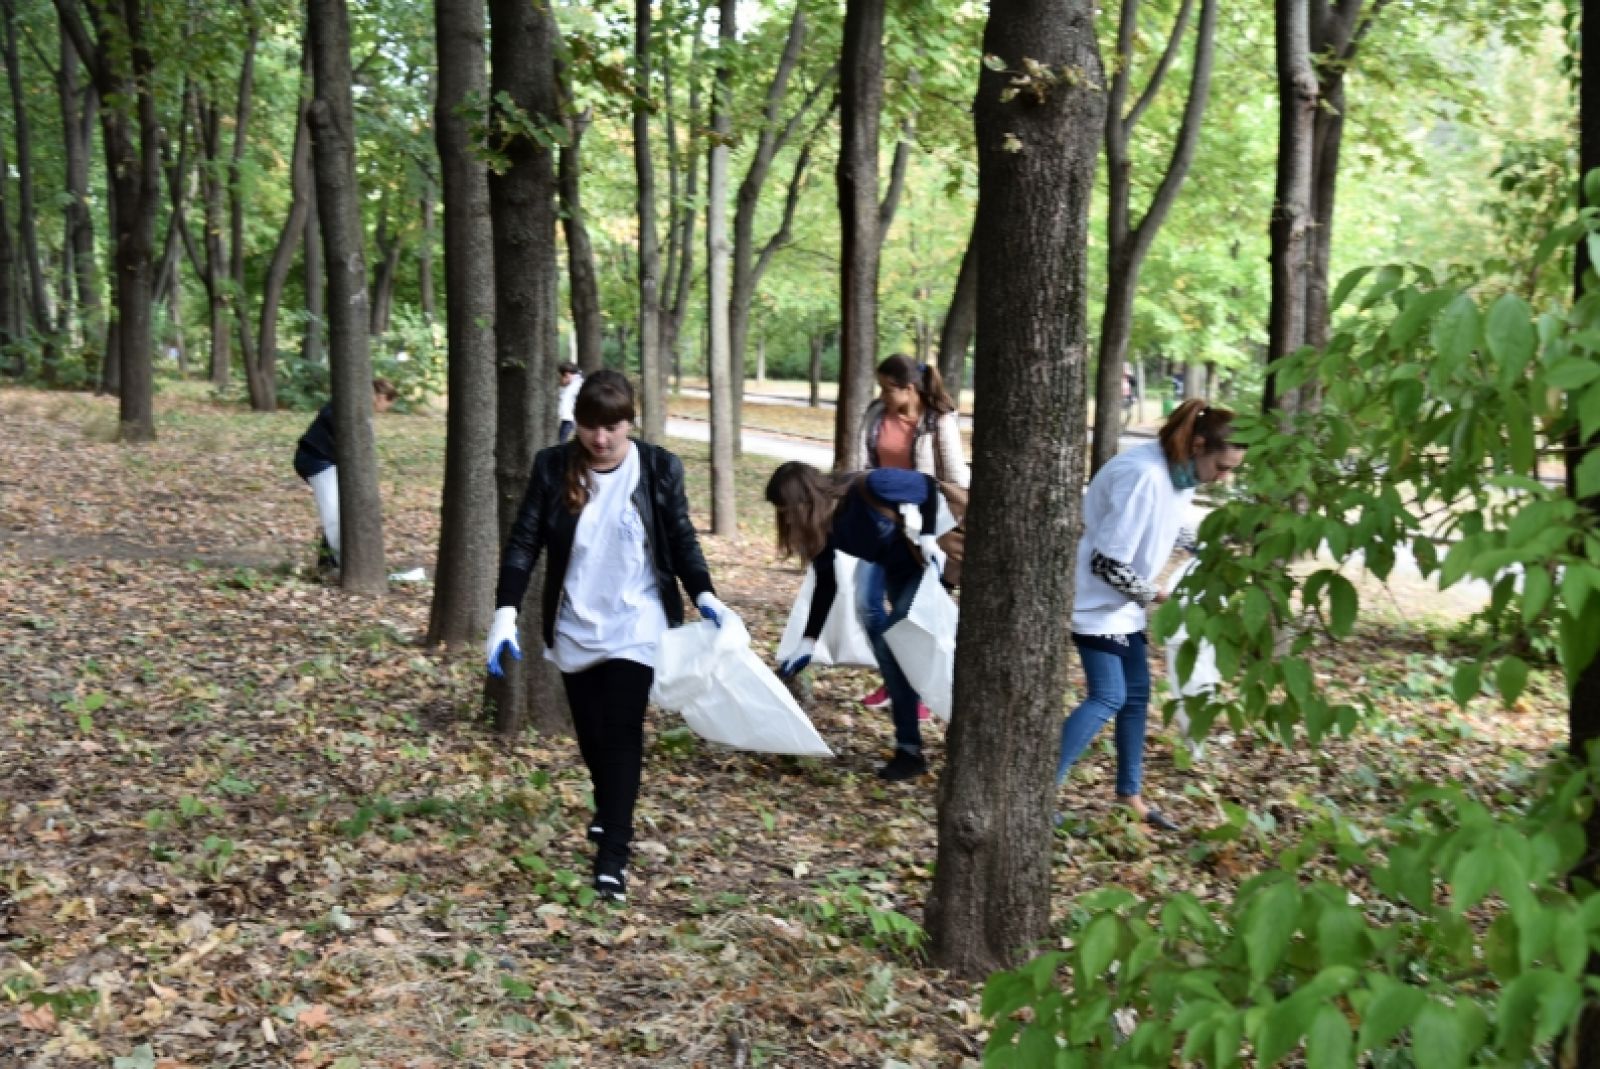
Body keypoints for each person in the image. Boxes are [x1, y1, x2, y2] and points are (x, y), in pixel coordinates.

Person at [485, 370, 735, 904]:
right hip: (575, 622)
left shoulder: (659, 467)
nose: (600, 439)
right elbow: (525, 540)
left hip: (637, 621)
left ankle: (613, 857)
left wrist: (705, 594)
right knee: (592, 735)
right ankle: (609, 807)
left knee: (621, 733)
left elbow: (680, 537)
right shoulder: (552, 466)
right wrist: (506, 610)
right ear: (576, 422)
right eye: (590, 426)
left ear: (630, 423)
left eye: (612, 427)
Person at [1055, 399, 1246, 831]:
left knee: (1137, 695)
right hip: (1093, 602)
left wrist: (1210, 551)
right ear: (1199, 445)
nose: (1224, 478)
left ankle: (1130, 796)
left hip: (1122, 606)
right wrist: (1156, 595)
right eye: (1222, 467)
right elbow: (1107, 563)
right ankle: (1037, 790)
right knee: (1109, 696)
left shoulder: (1181, 472)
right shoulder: (1143, 476)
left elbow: (1170, 525)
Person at [766, 461, 948, 782]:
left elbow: (928, 487)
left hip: (927, 562)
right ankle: (909, 751)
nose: (788, 519)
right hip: (892, 566)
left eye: (788, 510)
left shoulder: (872, 486)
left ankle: (915, 744)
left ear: (804, 498)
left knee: (895, 649)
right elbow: (826, 584)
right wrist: (807, 642)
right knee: (893, 655)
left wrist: (929, 536)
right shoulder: (823, 526)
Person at [855, 354, 969, 720]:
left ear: (909, 389)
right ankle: (895, 679)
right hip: (881, 526)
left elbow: (956, 478)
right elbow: (863, 463)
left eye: (888, 389)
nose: (882, 395)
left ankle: (913, 688)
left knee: (909, 615)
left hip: (925, 531)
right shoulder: (877, 414)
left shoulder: (939, 421)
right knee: (867, 604)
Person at [293, 378, 398, 571]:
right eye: (387, 405)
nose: (384, 410)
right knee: (333, 512)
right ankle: (341, 564)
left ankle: (328, 562)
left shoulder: (353, 409)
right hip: (316, 460)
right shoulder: (344, 408)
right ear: (381, 397)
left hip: (325, 461)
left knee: (341, 509)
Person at [557, 362, 583, 443]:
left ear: (567, 375)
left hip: (569, 419)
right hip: (571, 419)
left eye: (560, 377)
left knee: (562, 441)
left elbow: (564, 402)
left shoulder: (574, 386)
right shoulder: (574, 384)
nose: (559, 380)